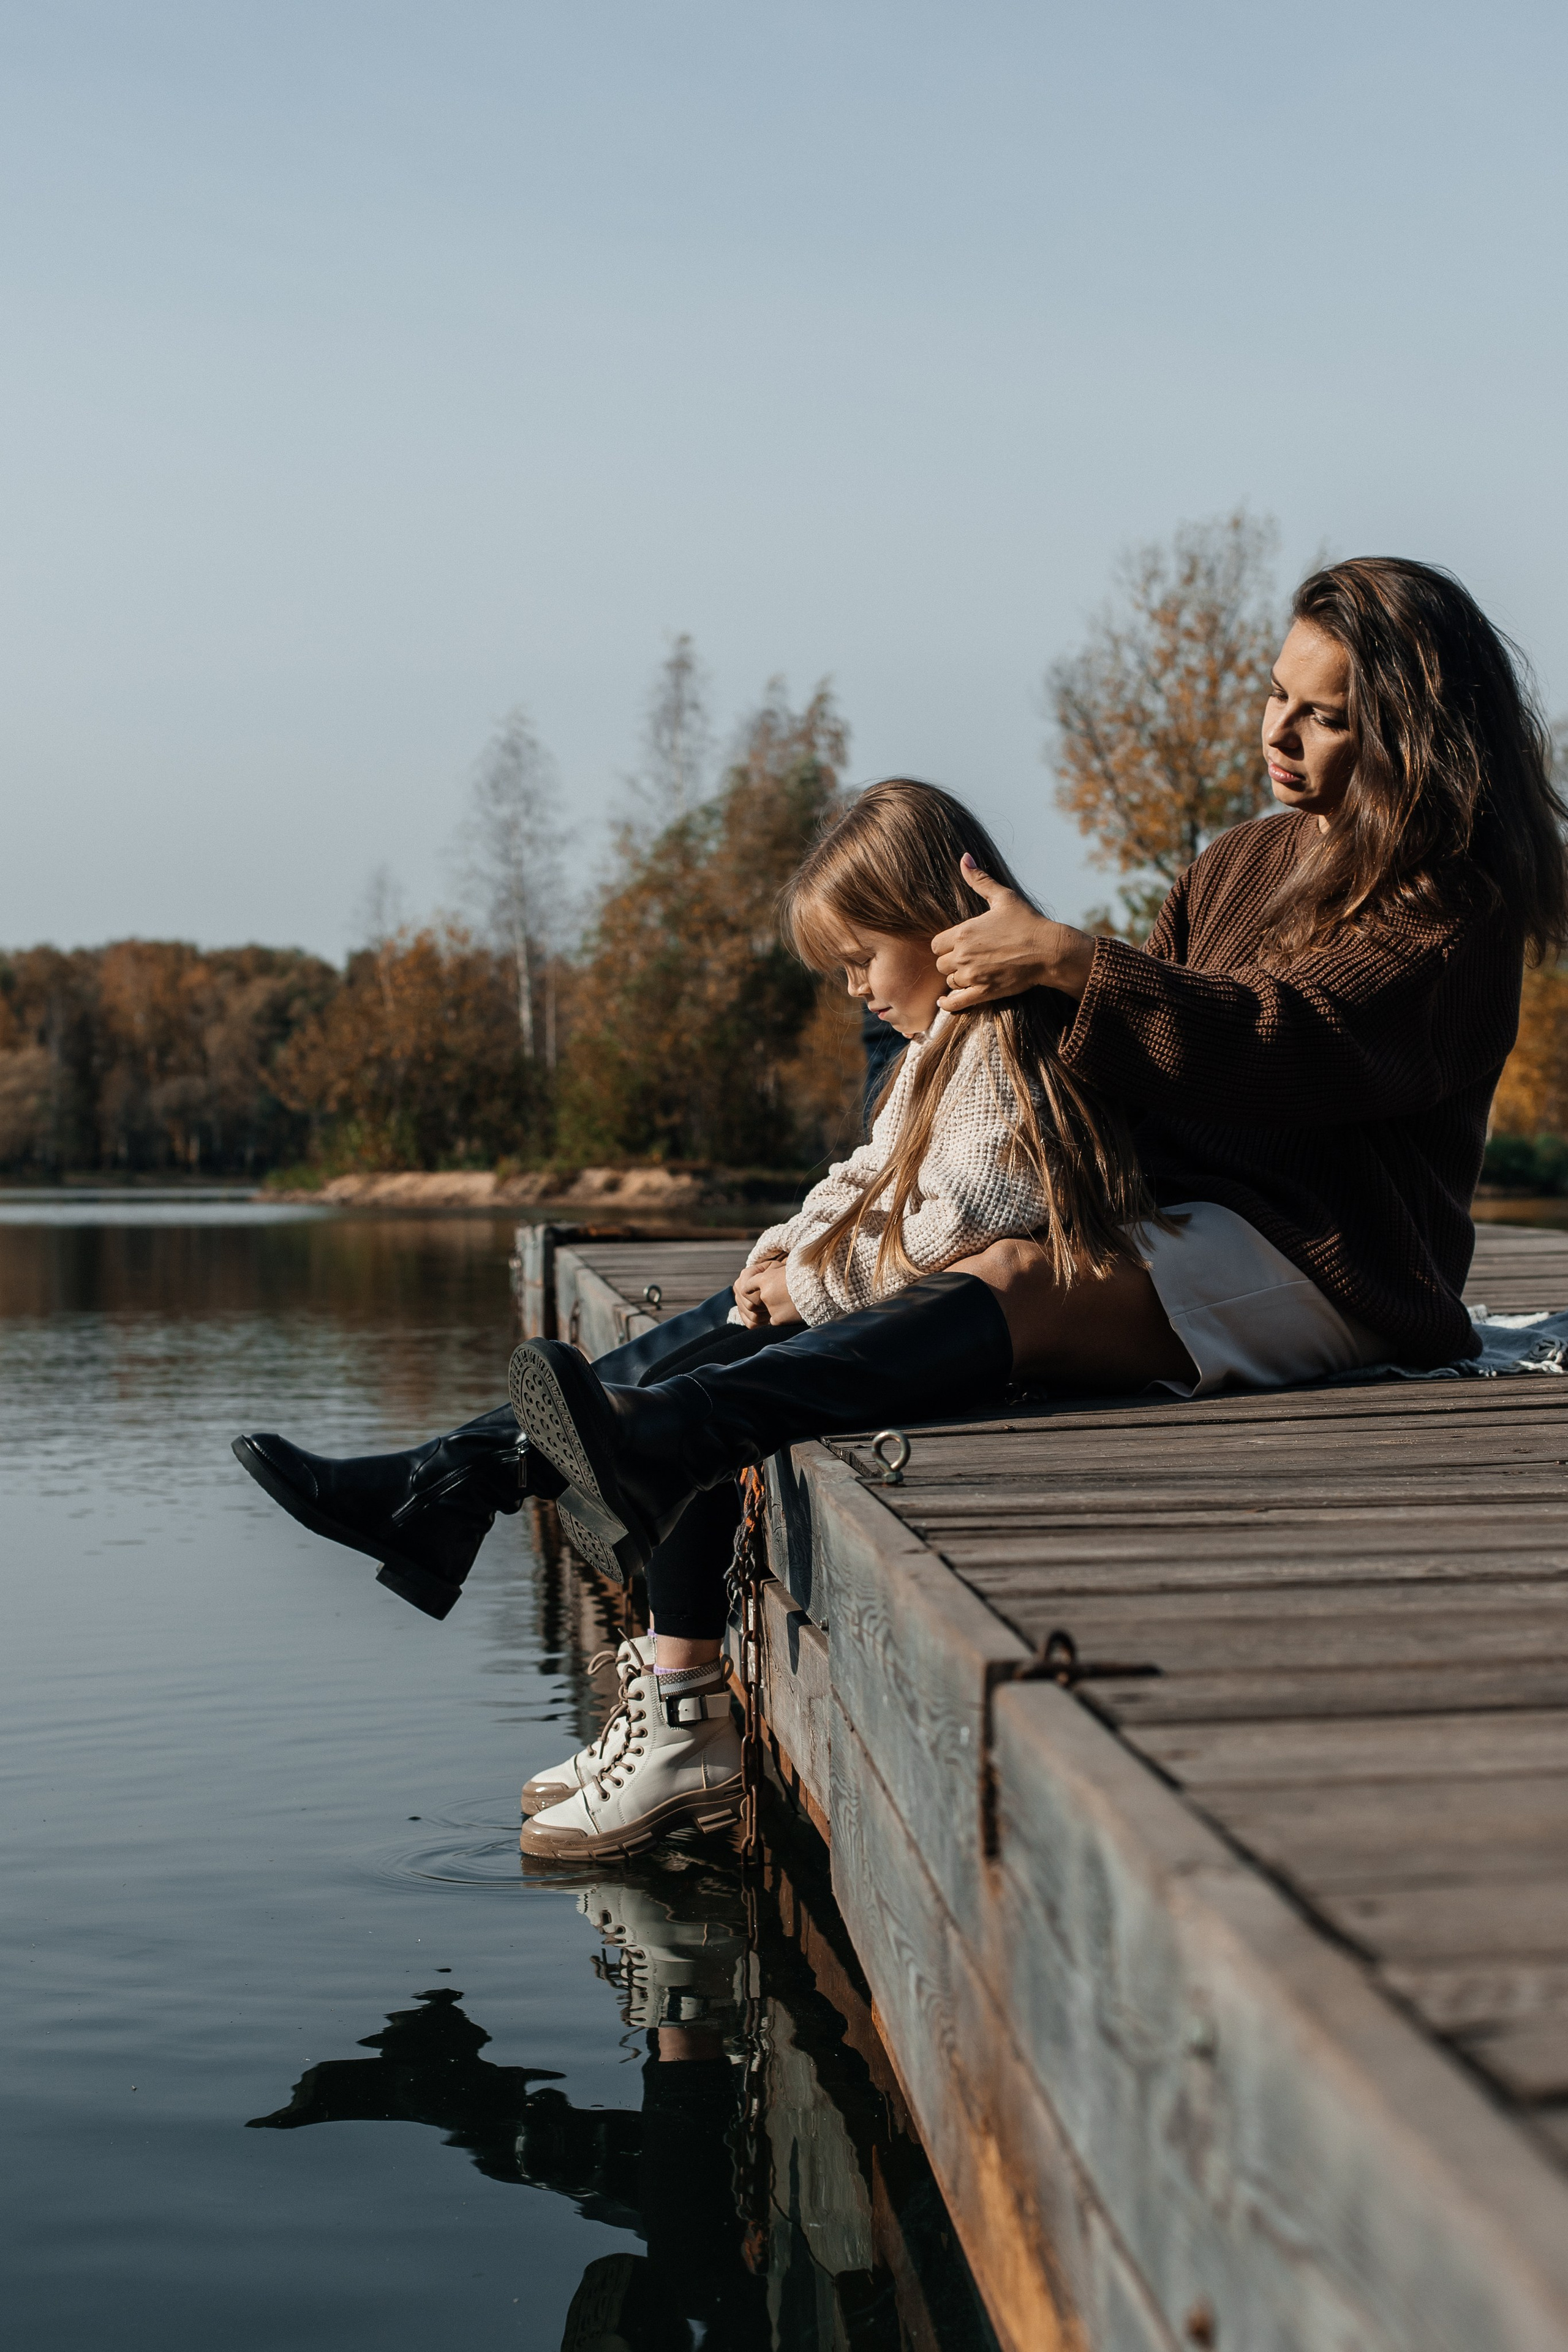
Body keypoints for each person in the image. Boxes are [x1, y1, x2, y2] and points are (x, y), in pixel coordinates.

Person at [238, 557, 1568, 1859]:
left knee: (998, 1290)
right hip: (1180, 1216)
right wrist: (1009, 1026)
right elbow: (1147, 1060)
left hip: (1328, 1265)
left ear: (1405, 728)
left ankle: (637, 1447)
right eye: (1274, 692)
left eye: (1323, 713)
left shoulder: (1448, 906)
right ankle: (452, 1480)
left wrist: (1067, 960)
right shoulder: (1237, 862)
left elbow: (1288, 1043)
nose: (1276, 730)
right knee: (818, 1286)